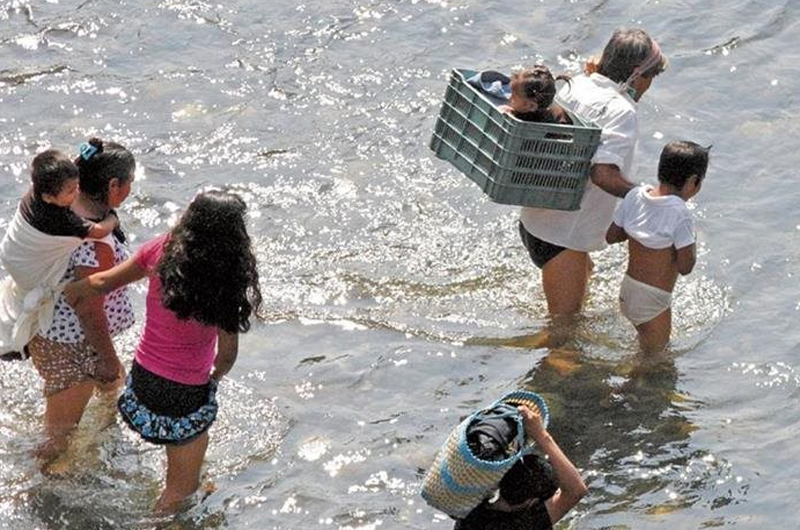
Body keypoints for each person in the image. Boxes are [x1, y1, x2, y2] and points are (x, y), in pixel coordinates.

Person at [64, 190, 263, 512]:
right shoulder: (227, 281)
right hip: (185, 394)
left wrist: (66, 291)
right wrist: (213, 379)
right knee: (179, 495)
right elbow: (225, 357)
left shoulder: (163, 249)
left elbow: (102, 283)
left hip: (142, 383)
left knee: (197, 456)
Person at [518, 29, 668, 316]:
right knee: (564, 331)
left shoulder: (575, 84)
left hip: (535, 220)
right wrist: (645, 196)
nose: (648, 86)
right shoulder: (622, 111)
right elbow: (602, 174)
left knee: (587, 275)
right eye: (650, 78)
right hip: (563, 238)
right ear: (637, 74)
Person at [25, 137, 137, 464]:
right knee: (57, 439)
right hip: (72, 344)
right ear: (114, 185)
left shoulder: (64, 210)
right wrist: (105, 356)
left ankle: (107, 434)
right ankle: (26, 486)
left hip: (55, 330)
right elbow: (88, 307)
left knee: (112, 387)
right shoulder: (93, 243)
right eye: (129, 183)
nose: (131, 189)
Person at [0, 148, 119, 360]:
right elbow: (100, 232)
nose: (77, 192)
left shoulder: (37, 190)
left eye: (77, 186)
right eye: (71, 191)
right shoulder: (61, 220)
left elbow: (65, 174)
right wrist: (112, 218)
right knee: (44, 290)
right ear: (48, 197)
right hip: (25, 267)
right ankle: (26, 342)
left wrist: (86, 154)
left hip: (10, 250)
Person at [605, 141, 710, 352]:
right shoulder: (680, 213)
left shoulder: (635, 195)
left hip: (628, 291)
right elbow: (685, 267)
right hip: (653, 300)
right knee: (656, 360)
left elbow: (612, 236)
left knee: (641, 346)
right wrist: (691, 239)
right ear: (693, 182)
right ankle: (625, 385)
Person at [454, 406, 587, 530]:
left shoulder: (471, 513)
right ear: (532, 502)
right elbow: (576, 490)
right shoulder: (524, 523)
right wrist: (541, 434)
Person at [499, 65, 572, 124]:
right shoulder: (531, 109)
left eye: (513, 96)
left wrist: (508, 114)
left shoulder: (532, 126)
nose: (509, 98)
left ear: (531, 106)